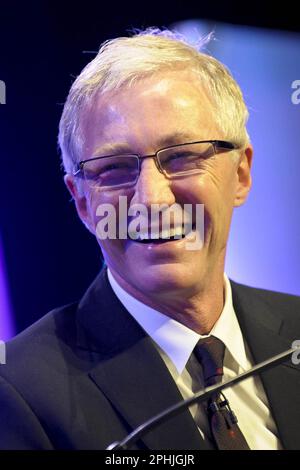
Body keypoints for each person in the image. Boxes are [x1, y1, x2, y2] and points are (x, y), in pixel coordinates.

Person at [0, 27, 300, 451]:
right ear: (83, 203)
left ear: (241, 173)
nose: (152, 200)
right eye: (115, 168)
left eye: (181, 156)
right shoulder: (21, 396)